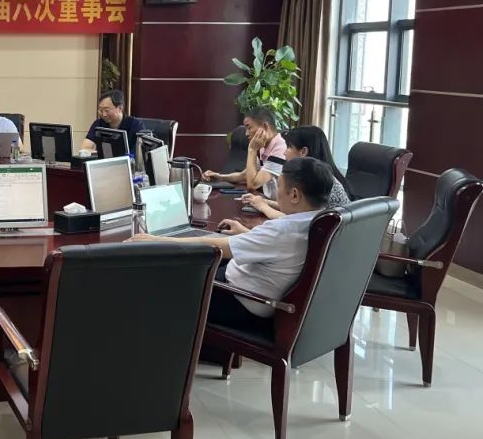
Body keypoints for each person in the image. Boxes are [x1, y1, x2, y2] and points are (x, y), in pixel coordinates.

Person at [134, 157, 334, 330]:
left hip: (241, 301)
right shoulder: (321, 223)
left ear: (295, 195)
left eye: (278, 187)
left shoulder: (283, 230)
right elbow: (282, 249)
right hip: (263, 297)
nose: (275, 193)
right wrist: (246, 234)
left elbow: (216, 246)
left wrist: (157, 241)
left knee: (170, 282)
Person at [241, 126, 350, 219]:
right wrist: (265, 202)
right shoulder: (313, 174)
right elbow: (298, 212)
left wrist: (263, 207)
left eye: (288, 147)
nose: (284, 153)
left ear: (303, 151)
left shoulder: (318, 180)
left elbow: (297, 222)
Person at [203, 107, 286, 192]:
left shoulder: (280, 148)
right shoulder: (263, 148)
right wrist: (219, 177)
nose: (246, 133)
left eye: (249, 128)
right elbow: (244, 175)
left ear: (265, 126)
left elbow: (252, 185)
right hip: (266, 199)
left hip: (278, 201)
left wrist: (252, 150)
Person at [79, 89, 143, 153]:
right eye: (101, 110)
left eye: (107, 110)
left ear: (120, 108)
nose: (104, 115)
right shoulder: (98, 123)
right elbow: (85, 148)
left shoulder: (135, 125)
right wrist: (102, 155)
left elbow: (139, 153)